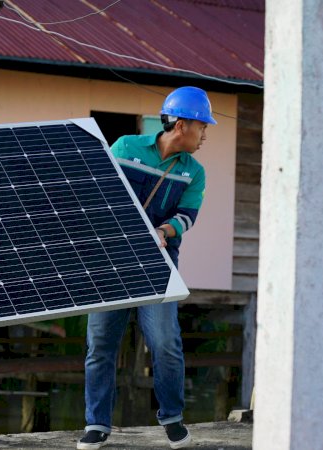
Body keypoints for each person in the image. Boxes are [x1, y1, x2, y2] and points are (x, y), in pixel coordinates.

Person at [78, 86, 216, 450]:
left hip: (159, 261)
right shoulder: (125, 147)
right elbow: (102, 194)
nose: (205, 135)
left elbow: (186, 217)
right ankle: (96, 424)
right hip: (113, 262)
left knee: (166, 342)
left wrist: (164, 230)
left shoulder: (195, 173)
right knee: (100, 345)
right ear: (183, 124)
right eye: (203, 127)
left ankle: (171, 418)